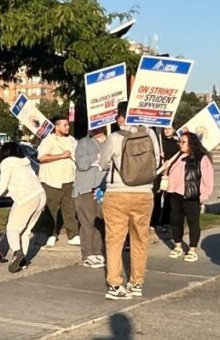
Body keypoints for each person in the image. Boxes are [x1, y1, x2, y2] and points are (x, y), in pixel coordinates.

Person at [102, 116, 161, 299]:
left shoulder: (114, 137)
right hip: (144, 193)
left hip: (117, 193)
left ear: (120, 117)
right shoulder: (150, 134)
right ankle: (137, 282)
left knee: (114, 240)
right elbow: (157, 160)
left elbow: (103, 163)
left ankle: (115, 284)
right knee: (140, 240)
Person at [0, 139, 46, 272]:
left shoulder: (7, 163)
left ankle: (17, 252)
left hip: (26, 198)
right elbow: (11, 188)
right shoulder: (24, 163)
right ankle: (22, 261)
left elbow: (3, 186)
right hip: (40, 195)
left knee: (12, 228)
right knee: (26, 231)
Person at [157, 132, 213, 261]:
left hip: (192, 195)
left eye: (183, 142)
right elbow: (170, 173)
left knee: (193, 223)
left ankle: (192, 249)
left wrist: (204, 195)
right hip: (174, 194)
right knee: (176, 221)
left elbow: (207, 179)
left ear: (191, 143)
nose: (180, 144)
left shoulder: (202, 158)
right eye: (179, 142)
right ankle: (177, 246)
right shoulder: (177, 156)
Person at [36, 117, 78, 247]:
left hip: (69, 179)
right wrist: (61, 156)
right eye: (64, 125)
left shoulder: (72, 140)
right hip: (52, 180)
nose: (67, 127)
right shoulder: (48, 140)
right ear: (56, 126)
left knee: (69, 208)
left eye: (68, 125)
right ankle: (51, 234)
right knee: (51, 209)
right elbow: (42, 157)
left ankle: (73, 234)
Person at [73, 124, 109, 269]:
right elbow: (81, 164)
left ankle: (98, 250)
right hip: (86, 188)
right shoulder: (83, 143)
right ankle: (88, 253)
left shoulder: (111, 141)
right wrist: (97, 157)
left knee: (100, 221)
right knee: (87, 222)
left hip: (102, 188)